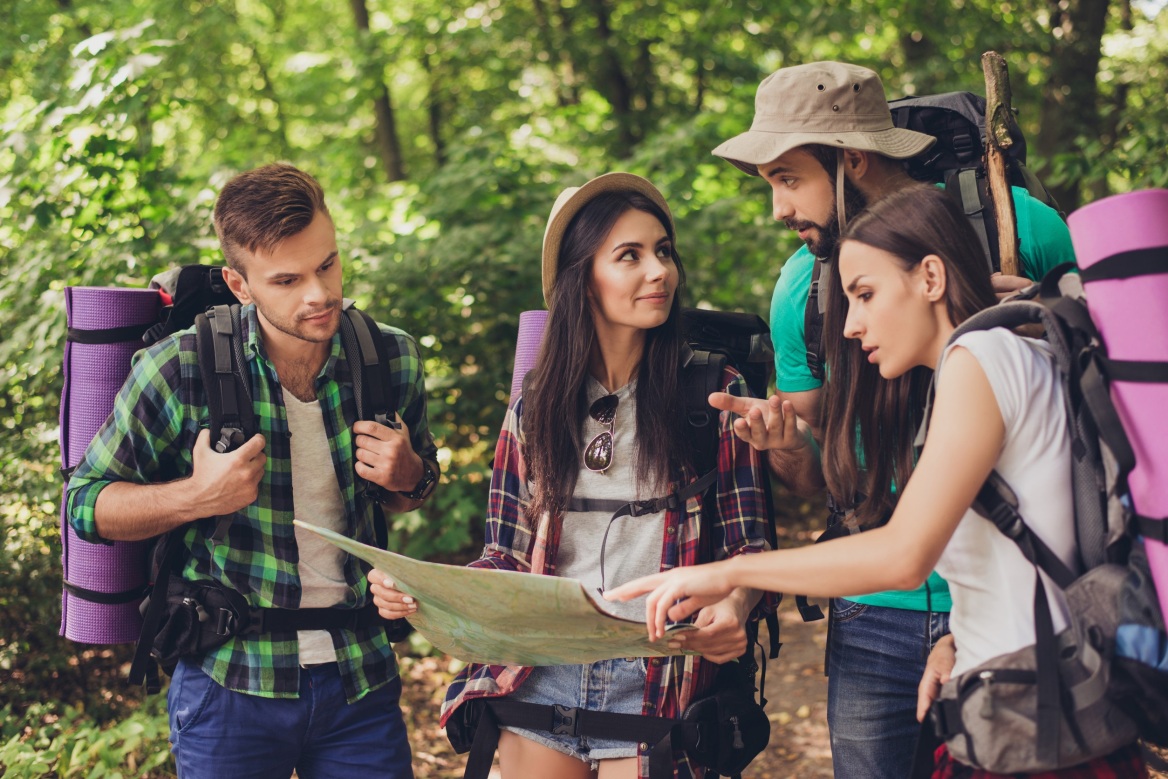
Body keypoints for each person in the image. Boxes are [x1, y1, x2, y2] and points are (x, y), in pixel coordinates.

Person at [609, 185, 1148, 778]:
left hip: (1041, 727)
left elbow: (903, 555)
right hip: (1028, 700)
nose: (851, 325)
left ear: (931, 278)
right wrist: (961, 639)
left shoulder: (981, 359)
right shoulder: (1010, 356)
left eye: (865, 295)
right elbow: (1024, 550)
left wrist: (725, 571)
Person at [703, 61, 1078, 778]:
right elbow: (821, 475)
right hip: (879, 610)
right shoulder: (801, 288)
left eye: (788, 178)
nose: (779, 208)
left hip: (1025, 604)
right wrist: (786, 448)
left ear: (851, 160)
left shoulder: (1020, 226)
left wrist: (1038, 302)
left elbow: (1103, 377)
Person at [370, 172, 774, 779]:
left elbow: (752, 547)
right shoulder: (536, 405)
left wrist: (736, 605)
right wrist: (423, 593)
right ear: (581, 277)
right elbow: (504, 557)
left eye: (664, 251)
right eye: (630, 256)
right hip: (538, 674)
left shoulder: (712, 393)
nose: (659, 271)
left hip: (659, 677)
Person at [65, 162, 439, 778]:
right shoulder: (176, 368)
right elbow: (85, 505)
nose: (318, 294)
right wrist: (196, 496)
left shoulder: (390, 356)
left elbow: (415, 492)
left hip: (359, 676)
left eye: (328, 265)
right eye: (287, 280)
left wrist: (409, 474)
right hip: (228, 684)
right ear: (240, 286)